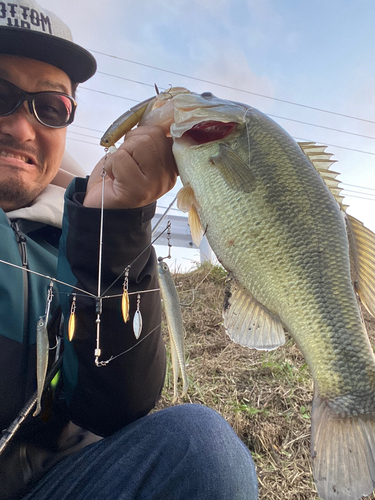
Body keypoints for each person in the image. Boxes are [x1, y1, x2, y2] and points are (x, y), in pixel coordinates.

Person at [0, 1, 259, 499]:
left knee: (202, 450)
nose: (22, 127)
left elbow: (112, 408)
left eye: (49, 106)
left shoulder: (74, 234)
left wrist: (111, 225)